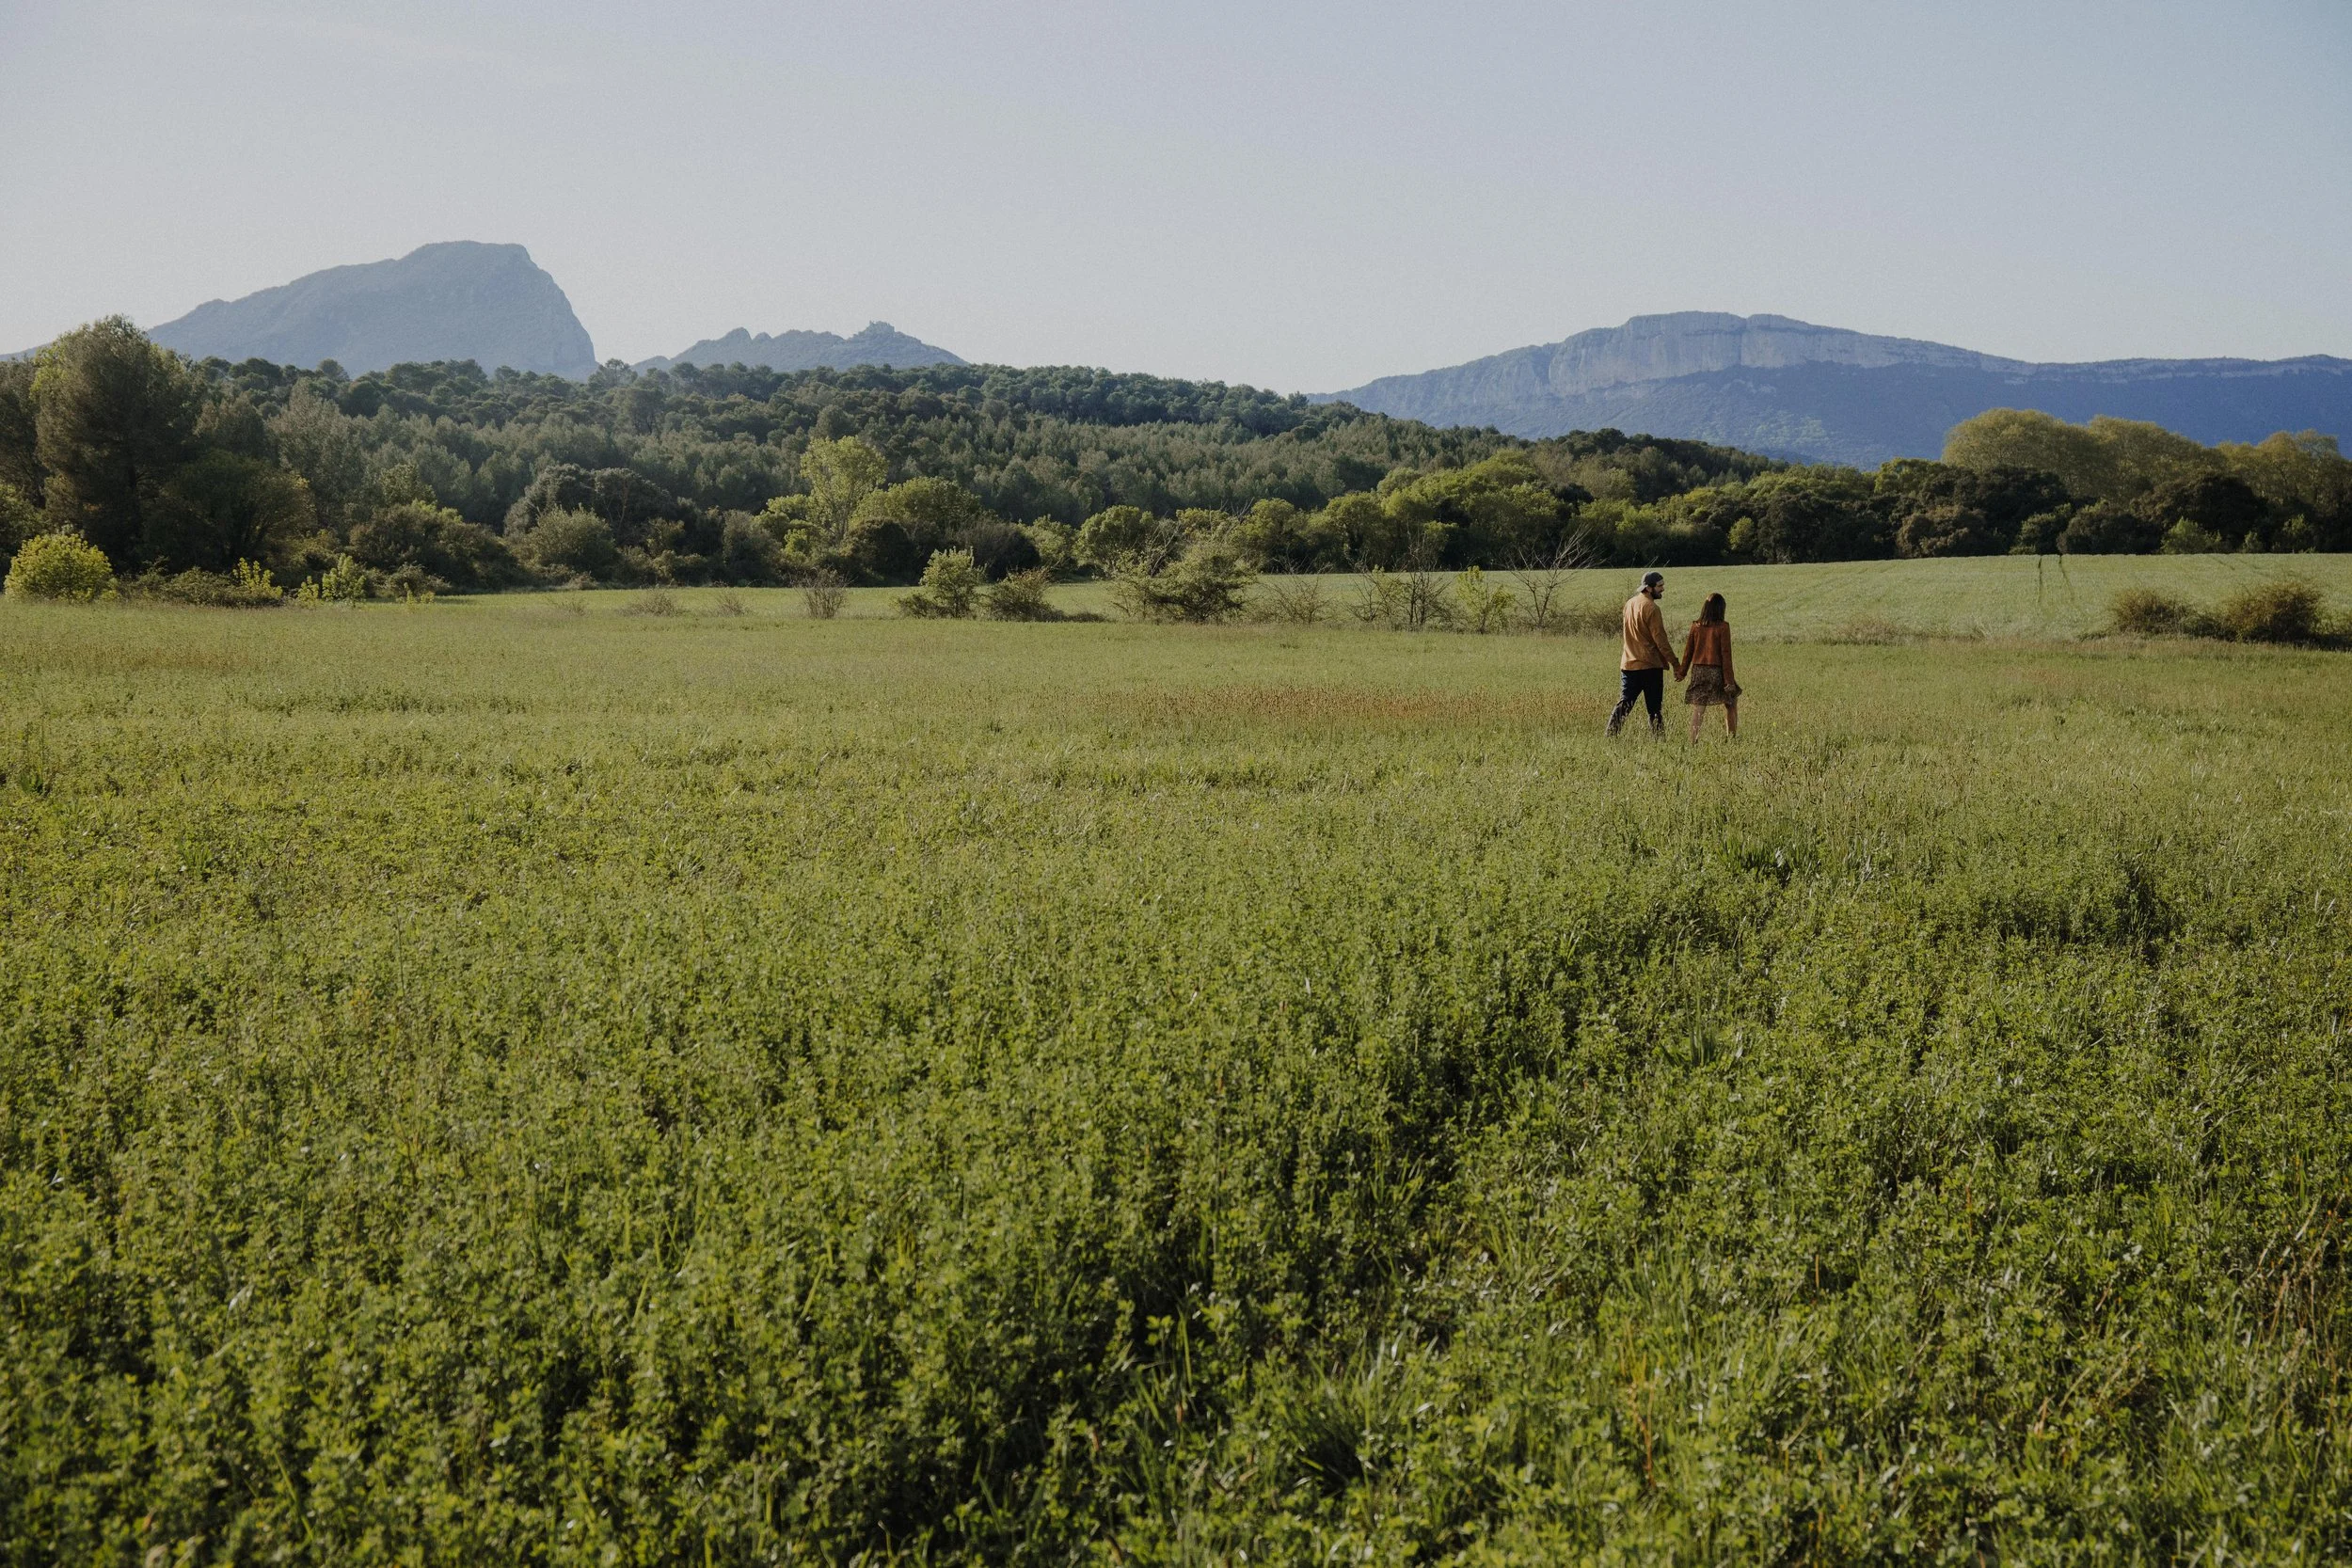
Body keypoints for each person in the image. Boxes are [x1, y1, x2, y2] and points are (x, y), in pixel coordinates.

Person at [1606, 570, 1679, 736]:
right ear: (1648, 588)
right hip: (1649, 665)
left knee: (1624, 703)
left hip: (1629, 663)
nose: (1663, 589)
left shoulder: (1629, 603)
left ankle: (1610, 735)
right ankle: (1659, 741)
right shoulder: (1652, 608)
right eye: (1660, 586)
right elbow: (1661, 641)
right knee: (1654, 709)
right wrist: (1675, 664)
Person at [1677, 591, 1740, 739]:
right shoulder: (1723, 627)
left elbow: (1688, 652)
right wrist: (1729, 681)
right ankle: (1731, 738)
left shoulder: (1696, 626)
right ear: (1720, 609)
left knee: (1699, 707)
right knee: (1730, 702)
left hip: (1698, 670)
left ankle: (1693, 740)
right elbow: (1726, 655)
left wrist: (1682, 672)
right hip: (1716, 671)